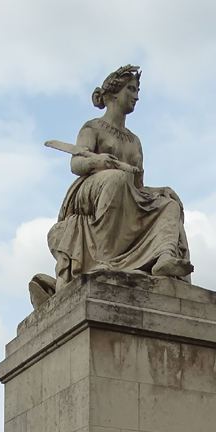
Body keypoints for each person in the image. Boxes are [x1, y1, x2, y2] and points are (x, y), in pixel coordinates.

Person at [30, 65, 192, 306]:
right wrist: (98, 161)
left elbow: (137, 187)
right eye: (131, 89)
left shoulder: (134, 141)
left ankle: (164, 257)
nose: (136, 96)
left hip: (125, 192)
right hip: (89, 192)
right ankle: (101, 260)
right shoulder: (92, 127)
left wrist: (160, 191)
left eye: (137, 90)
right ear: (114, 93)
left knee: (169, 203)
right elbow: (76, 163)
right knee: (117, 178)